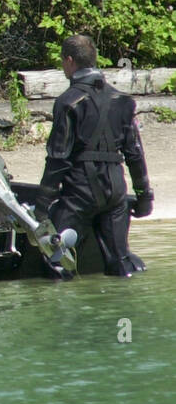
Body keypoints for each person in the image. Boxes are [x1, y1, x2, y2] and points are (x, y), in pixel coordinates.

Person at [36, 34, 152, 278]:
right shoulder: (122, 100)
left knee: (56, 260)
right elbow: (134, 154)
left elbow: (58, 159)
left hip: (81, 194)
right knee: (120, 262)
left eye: (62, 61)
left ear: (69, 61)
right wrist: (144, 196)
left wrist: (42, 206)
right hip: (116, 192)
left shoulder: (68, 102)